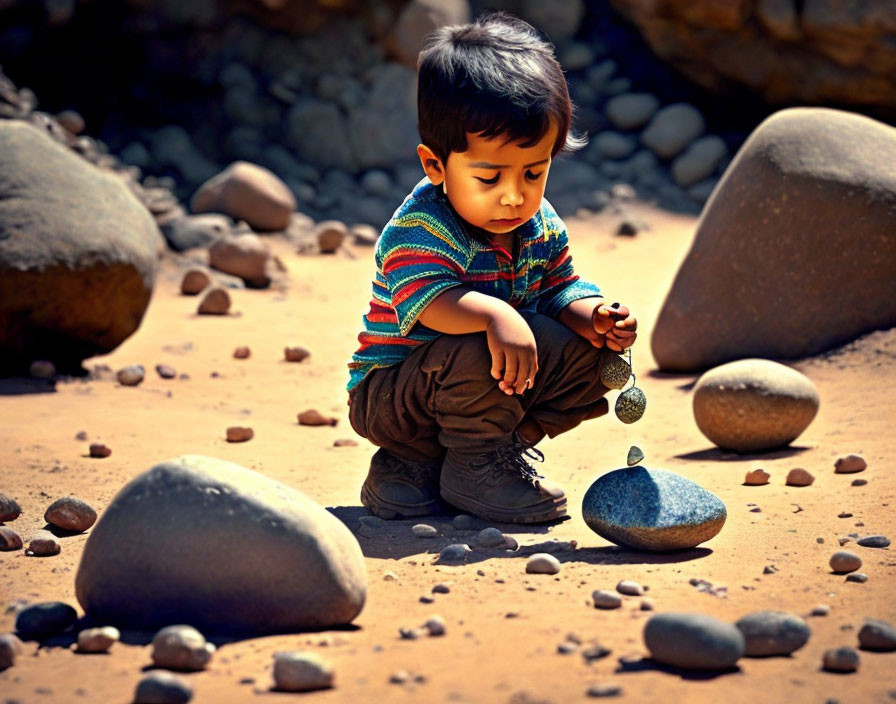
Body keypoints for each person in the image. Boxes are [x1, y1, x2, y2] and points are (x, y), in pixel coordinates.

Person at [346, 12, 637, 524]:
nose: (514, 195)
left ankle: (471, 459)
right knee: (484, 345)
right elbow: (431, 302)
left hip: (482, 394)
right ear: (436, 165)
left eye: (533, 172)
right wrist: (495, 316)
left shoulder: (539, 223)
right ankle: (427, 461)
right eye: (488, 176)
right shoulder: (420, 228)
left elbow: (558, 286)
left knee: (590, 356)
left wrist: (593, 315)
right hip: (393, 396)